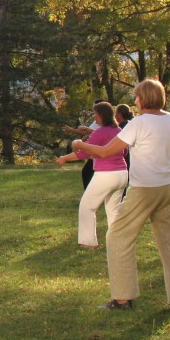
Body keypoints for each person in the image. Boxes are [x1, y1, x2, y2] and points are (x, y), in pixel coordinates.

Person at [73, 79, 170, 313]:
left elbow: (106, 151)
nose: (135, 101)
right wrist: (168, 171)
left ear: (143, 99)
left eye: (137, 97)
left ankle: (122, 299)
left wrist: (80, 143)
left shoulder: (138, 123)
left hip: (144, 190)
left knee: (118, 236)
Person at [55, 102, 127, 248]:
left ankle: (88, 242)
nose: (94, 117)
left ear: (101, 115)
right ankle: (118, 240)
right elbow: (125, 152)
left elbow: (82, 153)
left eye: (95, 114)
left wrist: (64, 158)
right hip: (122, 174)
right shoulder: (119, 130)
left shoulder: (98, 133)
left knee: (87, 206)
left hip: (106, 175)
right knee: (113, 209)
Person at [64, 99, 105, 189]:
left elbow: (94, 132)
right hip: (94, 152)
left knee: (88, 172)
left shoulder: (104, 121)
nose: (93, 112)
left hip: (98, 152)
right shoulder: (97, 120)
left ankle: (90, 193)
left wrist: (73, 131)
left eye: (95, 109)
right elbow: (89, 133)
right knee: (89, 173)